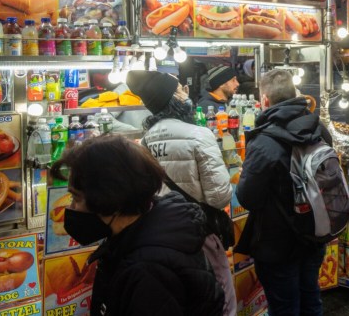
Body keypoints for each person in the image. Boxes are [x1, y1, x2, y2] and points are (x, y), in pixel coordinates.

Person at [50, 135, 224, 315]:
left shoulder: (148, 273)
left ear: (110, 199)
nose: (70, 208)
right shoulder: (140, 236)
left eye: (76, 198)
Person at [126, 70, 236, 315]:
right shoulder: (199, 134)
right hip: (201, 234)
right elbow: (219, 197)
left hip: (163, 235)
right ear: (171, 99)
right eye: (179, 90)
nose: (185, 95)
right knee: (220, 299)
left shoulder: (144, 143)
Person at [235, 69, 331, 316]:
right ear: (294, 93)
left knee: (284, 306)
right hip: (315, 230)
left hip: (277, 242)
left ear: (264, 100)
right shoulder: (319, 128)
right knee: (311, 297)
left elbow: (247, 197)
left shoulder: (264, 141)